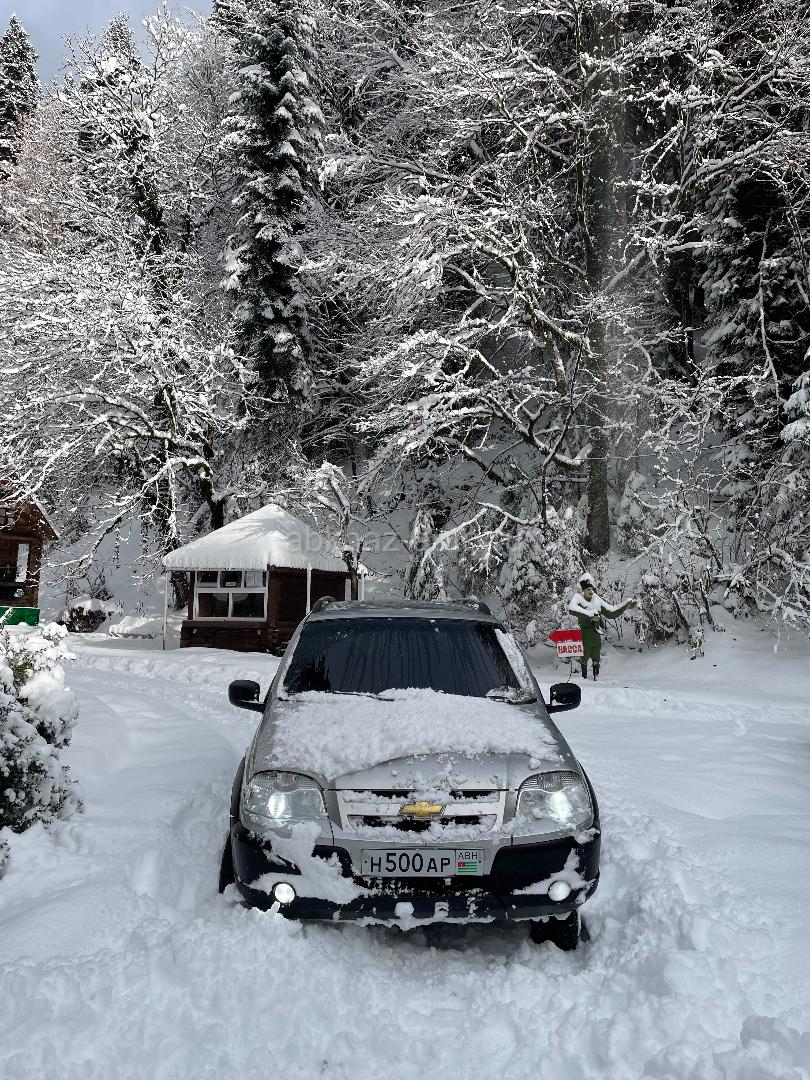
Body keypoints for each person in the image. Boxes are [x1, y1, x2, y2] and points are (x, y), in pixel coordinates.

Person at [568, 574, 637, 680]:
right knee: (584, 657)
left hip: (596, 635)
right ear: (583, 590)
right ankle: (584, 678)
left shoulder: (596, 599)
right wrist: (590, 614)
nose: (591, 591)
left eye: (592, 589)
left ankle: (596, 677)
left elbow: (611, 612)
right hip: (585, 635)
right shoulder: (578, 598)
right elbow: (571, 609)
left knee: (596, 657)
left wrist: (625, 606)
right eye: (588, 589)